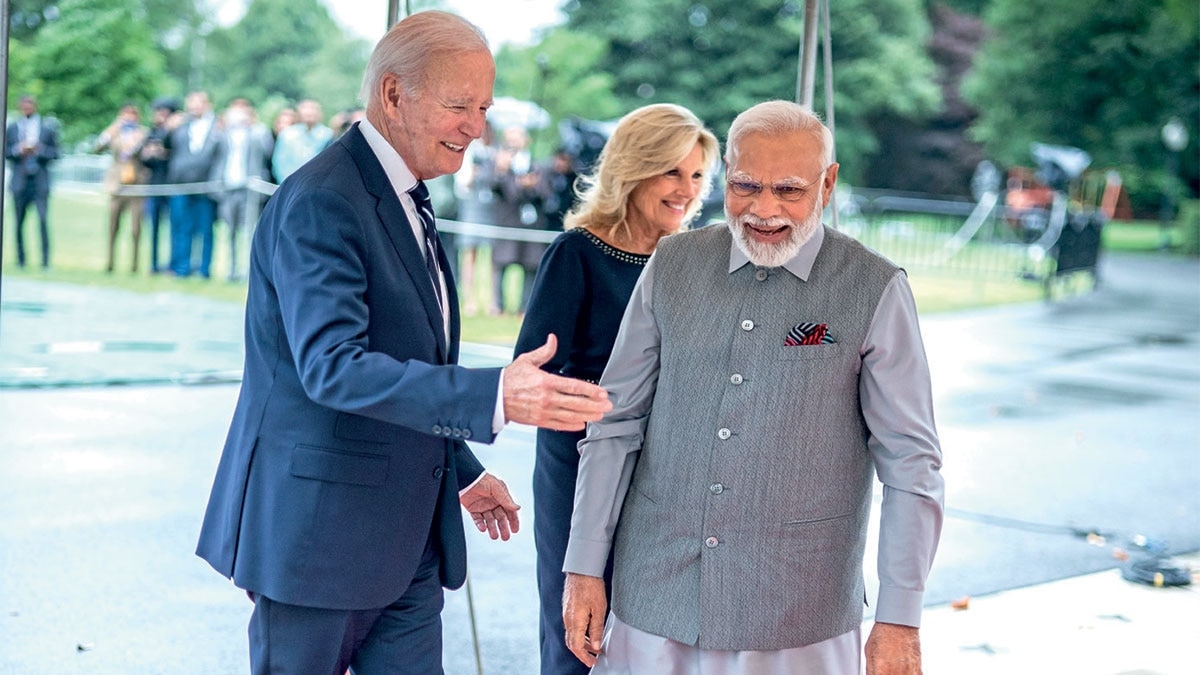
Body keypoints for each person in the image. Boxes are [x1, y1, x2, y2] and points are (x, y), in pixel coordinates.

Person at [194, 11, 611, 674]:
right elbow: (333, 368)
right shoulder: (323, 200)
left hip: (409, 542)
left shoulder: (406, 194)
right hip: (318, 541)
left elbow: (405, 365)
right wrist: (493, 393)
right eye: (459, 105)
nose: (476, 127)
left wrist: (462, 471)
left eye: (483, 107)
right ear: (393, 95)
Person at [561, 100, 945, 675]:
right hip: (654, 596)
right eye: (745, 186)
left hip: (797, 617)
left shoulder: (875, 286)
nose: (764, 210)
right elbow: (614, 423)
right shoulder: (671, 262)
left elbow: (912, 464)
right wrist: (584, 567)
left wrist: (899, 617)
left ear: (828, 184)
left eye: (789, 190)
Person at [513, 102, 719, 675]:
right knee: (579, 636)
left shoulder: (692, 261)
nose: (687, 190)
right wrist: (610, 413)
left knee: (652, 638)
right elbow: (532, 379)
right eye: (672, 172)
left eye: (698, 174)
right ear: (635, 168)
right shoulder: (576, 253)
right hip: (579, 472)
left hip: (666, 480)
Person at [213, 98, 274, 280]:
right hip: (228, 187)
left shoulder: (257, 133)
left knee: (249, 230)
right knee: (229, 230)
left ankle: (248, 270)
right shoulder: (223, 135)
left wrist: (254, 125)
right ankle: (230, 270)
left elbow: (267, 150)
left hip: (250, 190)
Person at [164, 90, 223, 278]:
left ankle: (204, 269)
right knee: (182, 227)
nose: (194, 107)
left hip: (206, 186)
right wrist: (168, 128)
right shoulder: (180, 125)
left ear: (207, 105)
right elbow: (164, 145)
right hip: (180, 184)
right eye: (191, 103)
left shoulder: (218, 127)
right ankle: (181, 267)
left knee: (205, 229)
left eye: (198, 103)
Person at [488, 126, 545, 315]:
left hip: (530, 223)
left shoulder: (536, 164)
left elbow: (544, 193)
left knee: (530, 264)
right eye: (509, 138)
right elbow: (496, 189)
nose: (513, 142)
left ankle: (525, 305)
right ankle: (497, 304)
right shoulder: (500, 163)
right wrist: (503, 172)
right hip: (507, 220)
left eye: (517, 137)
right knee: (501, 262)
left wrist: (531, 186)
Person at [5, 95, 60, 269]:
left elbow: (56, 154)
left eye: (30, 105)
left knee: (43, 220)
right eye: (24, 106)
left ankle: (45, 261)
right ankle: (21, 260)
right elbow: (6, 152)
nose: (27, 108)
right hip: (20, 181)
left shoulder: (47, 128)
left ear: (35, 106)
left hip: (39, 180)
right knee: (19, 222)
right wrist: (18, 149)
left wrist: (39, 149)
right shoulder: (12, 128)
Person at [94, 103, 150, 273]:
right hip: (116, 186)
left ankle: (134, 265)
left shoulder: (143, 133)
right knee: (113, 226)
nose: (129, 118)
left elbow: (146, 153)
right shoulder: (114, 133)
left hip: (136, 186)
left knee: (136, 228)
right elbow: (98, 147)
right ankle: (110, 263)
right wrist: (112, 129)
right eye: (126, 114)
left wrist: (136, 141)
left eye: (133, 114)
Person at [140, 97, 181, 273]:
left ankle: (173, 263)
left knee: (175, 227)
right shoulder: (151, 132)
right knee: (154, 227)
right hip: (155, 185)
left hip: (172, 184)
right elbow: (146, 158)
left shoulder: (175, 133)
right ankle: (154, 263)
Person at [270, 98, 334, 182]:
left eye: (313, 108)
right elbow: (279, 163)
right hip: (291, 183)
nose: (309, 112)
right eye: (305, 108)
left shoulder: (328, 135)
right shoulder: (287, 134)